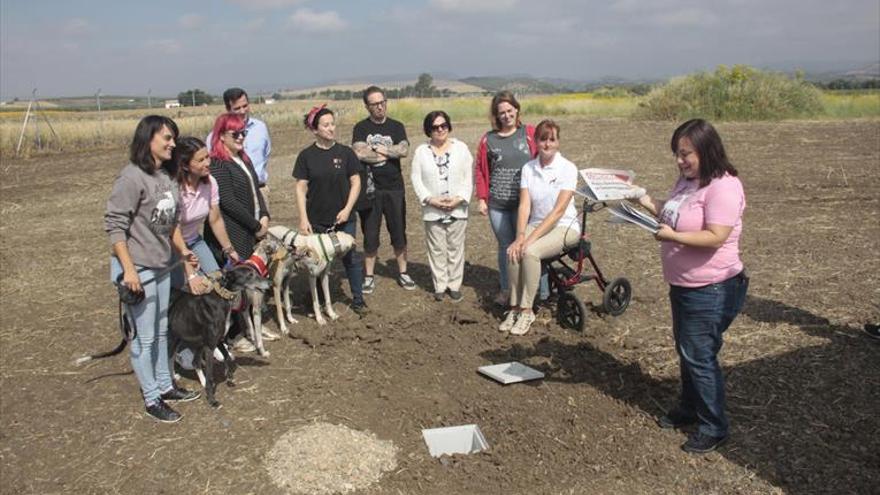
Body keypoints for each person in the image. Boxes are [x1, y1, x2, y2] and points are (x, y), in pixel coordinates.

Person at [631, 118, 748, 454]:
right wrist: (642, 200)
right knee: (687, 350)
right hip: (684, 286)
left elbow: (716, 236)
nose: (680, 161)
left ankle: (714, 426)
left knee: (699, 355)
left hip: (712, 288)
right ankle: (688, 407)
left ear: (707, 150)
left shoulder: (723, 186)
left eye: (686, 154)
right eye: (677, 154)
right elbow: (670, 216)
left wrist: (673, 237)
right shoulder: (687, 182)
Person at [104, 115, 201, 423]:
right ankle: (151, 398)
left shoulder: (165, 176)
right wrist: (129, 271)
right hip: (139, 270)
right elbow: (115, 226)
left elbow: (169, 223)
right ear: (148, 140)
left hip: (162, 265)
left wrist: (184, 251)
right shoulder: (131, 178)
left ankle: (164, 384)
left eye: (174, 138)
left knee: (160, 330)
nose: (173, 143)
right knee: (144, 338)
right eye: (167, 138)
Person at [502, 120, 581, 336]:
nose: (547, 144)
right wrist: (520, 236)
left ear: (558, 142)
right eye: (543, 139)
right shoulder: (529, 168)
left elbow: (557, 211)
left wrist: (529, 240)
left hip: (565, 226)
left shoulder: (568, 168)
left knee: (530, 252)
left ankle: (527, 309)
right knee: (513, 250)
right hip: (536, 223)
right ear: (536, 141)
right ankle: (515, 307)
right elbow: (525, 205)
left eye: (551, 139)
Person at [204, 112, 272, 350]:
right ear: (221, 136)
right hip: (235, 232)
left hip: (252, 229)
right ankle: (234, 333)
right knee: (235, 284)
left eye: (244, 132)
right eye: (236, 133)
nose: (241, 137)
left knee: (251, 279)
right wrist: (256, 226)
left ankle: (252, 324)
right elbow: (228, 203)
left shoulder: (243, 157)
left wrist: (264, 215)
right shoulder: (218, 164)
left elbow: (256, 189)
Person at [293, 105, 367, 315]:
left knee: (351, 258)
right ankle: (315, 301)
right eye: (326, 125)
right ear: (315, 130)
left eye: (332, 124)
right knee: (317, 261)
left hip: (344, 219)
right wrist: (303, 219)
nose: (331, 128)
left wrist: (347, 209)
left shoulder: (345, 153)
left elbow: (356, 182)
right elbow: (300, 188)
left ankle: (358, 299)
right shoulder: (306, 156)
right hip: (317, 219)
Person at [474, 91, 543, 306]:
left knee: (529, 246)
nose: (506, 115)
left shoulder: (529, 133)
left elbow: (545, 161)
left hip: (526, 204)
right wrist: (482, 198)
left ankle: (535, 291)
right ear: (496, 115)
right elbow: (481, 171)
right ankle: (507, 289)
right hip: (499, 206)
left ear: (517, 110)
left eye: (509, 111)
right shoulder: (488, 139)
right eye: (501, 112)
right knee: (506, 247)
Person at [352, 86, 415, 293]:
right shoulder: (360, 128)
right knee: (370, 234)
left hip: (394, 188)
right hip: (370, 190)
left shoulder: (397, 126)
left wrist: (381, 149)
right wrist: (389, 153)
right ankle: (368, 276)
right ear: (367, 106)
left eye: (382, 102)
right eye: (374, 104)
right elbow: (359, 153)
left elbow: (404, 150)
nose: (380, 107)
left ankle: (403, 273)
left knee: (398, 231)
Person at [410, 111, 473, 302]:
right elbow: (416, 178)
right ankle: (439, 285)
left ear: (449, 126)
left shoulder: (461, 148)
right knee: (437, 249)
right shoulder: (421, 151)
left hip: (457, 208)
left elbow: (467, 177)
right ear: (428, 130)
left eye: (443, 125)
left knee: (455, 248)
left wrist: (459, 199)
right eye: (435, 127)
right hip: (432, 210)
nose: (440, 130)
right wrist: (429, 199)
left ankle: (454, 285)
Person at [207, 88, 272, 201]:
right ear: (228, 109)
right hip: (232, 196)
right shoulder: (215, 136)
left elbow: (266, 153)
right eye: (237, 108)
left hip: (259, 190)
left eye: (245, 106)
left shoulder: (260, 128)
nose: (242, 111)